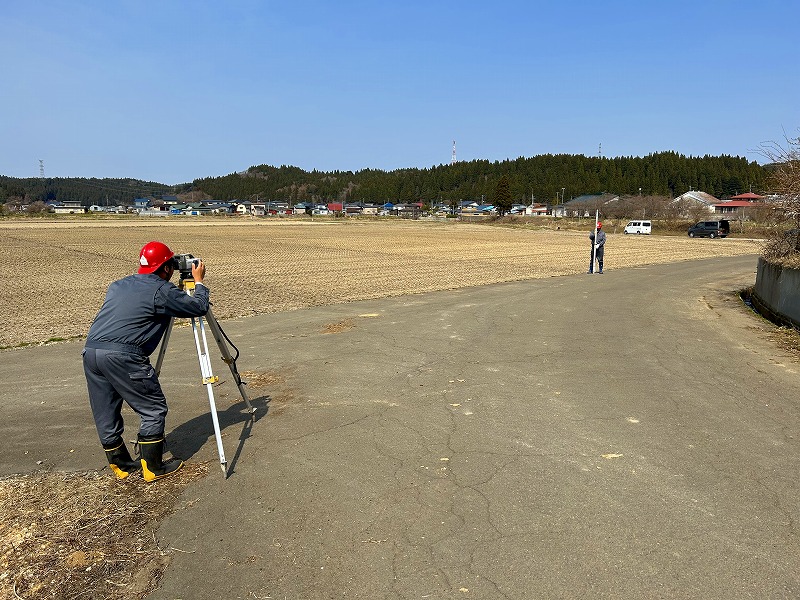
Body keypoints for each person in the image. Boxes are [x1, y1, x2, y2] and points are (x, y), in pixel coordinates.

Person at [82, 241, 209, 482]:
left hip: (92, 352)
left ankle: (120, 465)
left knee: (105, 410)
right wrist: (199, 282)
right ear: (166, 268)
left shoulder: (118, 285)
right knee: (153, 408)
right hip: (123, 355)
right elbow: (198, 307)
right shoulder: (162, 290)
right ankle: (153, 467)